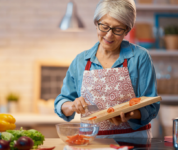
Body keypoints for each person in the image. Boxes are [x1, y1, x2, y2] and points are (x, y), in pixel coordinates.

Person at [54, 0, 160, 138]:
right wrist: (72, 105)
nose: (109, 35)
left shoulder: (140, 57)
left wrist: (131, 113)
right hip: (90, 143)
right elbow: (61, 102)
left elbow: (152, 105)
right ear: (96, 23)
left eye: (118, 29)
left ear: (127, 30)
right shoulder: (80, 61)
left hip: (133, 141)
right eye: (104, 26)